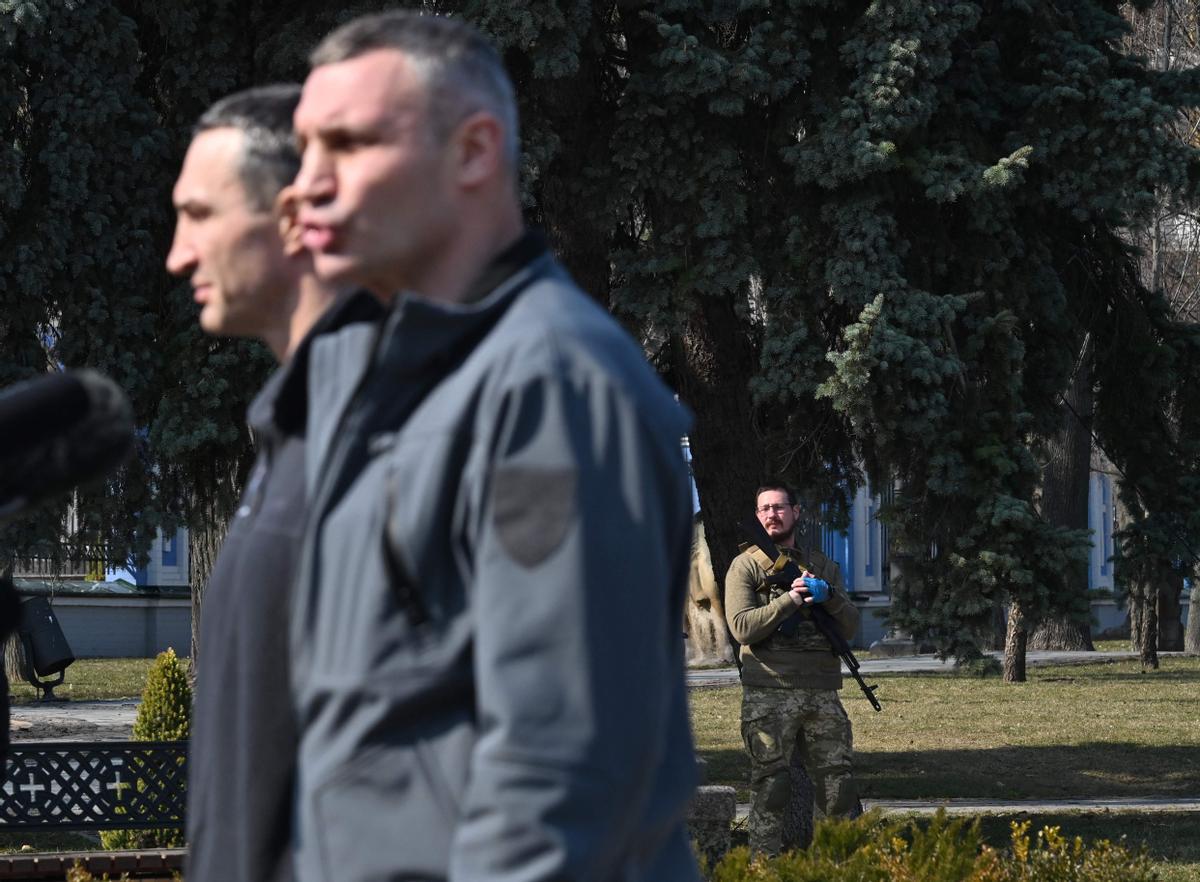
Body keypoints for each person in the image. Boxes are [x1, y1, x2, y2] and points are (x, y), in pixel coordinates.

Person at [287, 11, 700, 882]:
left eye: (348, 144)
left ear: (474, 152)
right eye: (302, 148)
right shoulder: (417, 382)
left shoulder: (549, 385)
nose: (306, 185)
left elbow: (557, 778)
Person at [165, 85, 382, 882]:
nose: (178, 254)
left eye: (199, 215)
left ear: (294, 217)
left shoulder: (393, 438)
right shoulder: (294, 435)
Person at [724, 482, 860, 855]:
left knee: (838, 786)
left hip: (822, 690)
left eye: (779, 507)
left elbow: (849, 628)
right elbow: (742, 627)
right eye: (764, 509)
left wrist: (828, 596)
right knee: (772, 786)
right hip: (769, 690)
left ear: (796, 512)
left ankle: (829, 866)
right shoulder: (745, 565)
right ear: (757, 516)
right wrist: (789, 600)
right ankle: (763, 870)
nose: (772, 514)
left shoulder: (823, 566)